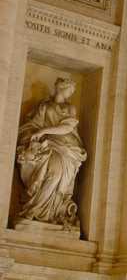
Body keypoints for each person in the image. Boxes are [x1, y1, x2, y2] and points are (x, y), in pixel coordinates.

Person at [16, 78, 87, 231]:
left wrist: (44, 131)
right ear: (61, 88)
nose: (71, 93)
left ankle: (51, 212)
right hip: (48, 145)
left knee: (58, 174)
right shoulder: (44, 106)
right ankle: (36, 209)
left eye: (73, 91)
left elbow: (67, 128)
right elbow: (32, 124)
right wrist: (36, 136)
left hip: (66, 148)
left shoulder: (70, 107)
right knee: (53, 172)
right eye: (69, 90)